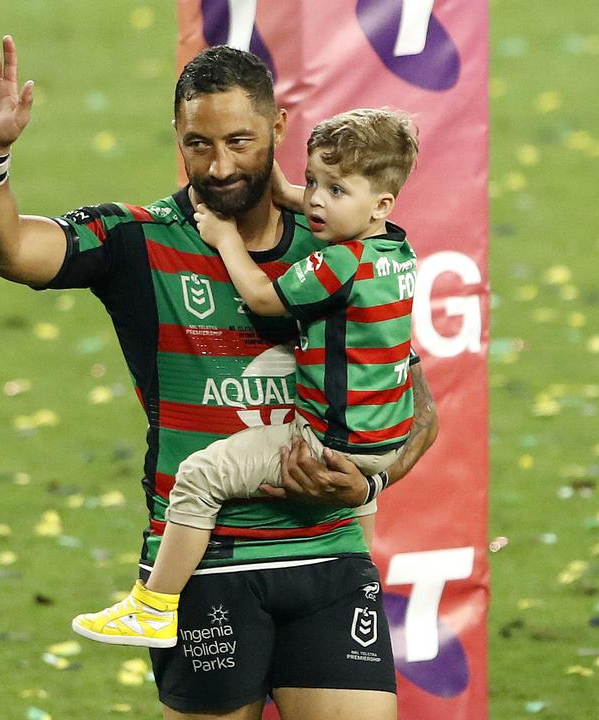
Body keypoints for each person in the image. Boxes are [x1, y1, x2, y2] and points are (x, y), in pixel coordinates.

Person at [0, 28, 438, 720]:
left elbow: (420, 407)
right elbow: (1, 248)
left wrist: (374, 477)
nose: (217, 167)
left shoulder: (339, 246)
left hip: (329, 555)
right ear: (176, 135)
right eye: (198, 144)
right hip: (206, 564)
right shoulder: (138, 239)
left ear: (279, 127)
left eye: (240, 142)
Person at [71, 108, 422, 652]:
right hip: (383, 441)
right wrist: (290, 188)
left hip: (326, 442)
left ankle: (153, 606)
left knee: (201, 476)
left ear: (379, 204)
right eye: (313, 184)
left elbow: (262, 296)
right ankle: (361, 582)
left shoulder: (339, 264)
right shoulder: (398, 251)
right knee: (354, 506)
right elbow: (308, 198)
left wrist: (224, 237)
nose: (317, 202)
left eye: (336, 190)